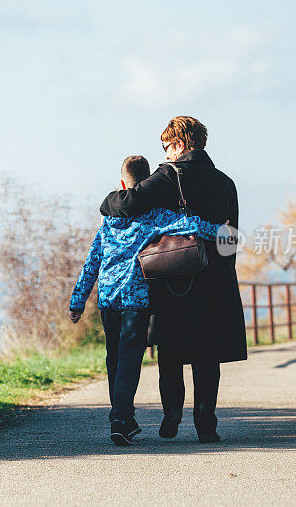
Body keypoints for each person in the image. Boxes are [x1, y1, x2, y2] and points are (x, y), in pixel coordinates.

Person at [99, 116, 247, 444]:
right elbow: (230, 238)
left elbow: (129, 203)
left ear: (179, 144)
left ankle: (173, 415)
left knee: (171, 351)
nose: (165, 154)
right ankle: (206, 423)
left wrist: (107, 200)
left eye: (167, 147)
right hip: (215, 282)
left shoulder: (168, 175)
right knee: (208, 356)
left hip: (175, 281)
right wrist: (220, 272)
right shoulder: (226, 182)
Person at [68, 155, 222, 446]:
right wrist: (222, 230)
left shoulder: (108, 220)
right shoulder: (155, 215)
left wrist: (77, 302)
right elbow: (191, 226)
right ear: (149, 182)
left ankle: (122, 416)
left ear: (122, 184)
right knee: (128, 360)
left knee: (113, 359)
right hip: (135, 301)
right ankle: (121, 418)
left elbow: (92, 262)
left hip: (107, 299)